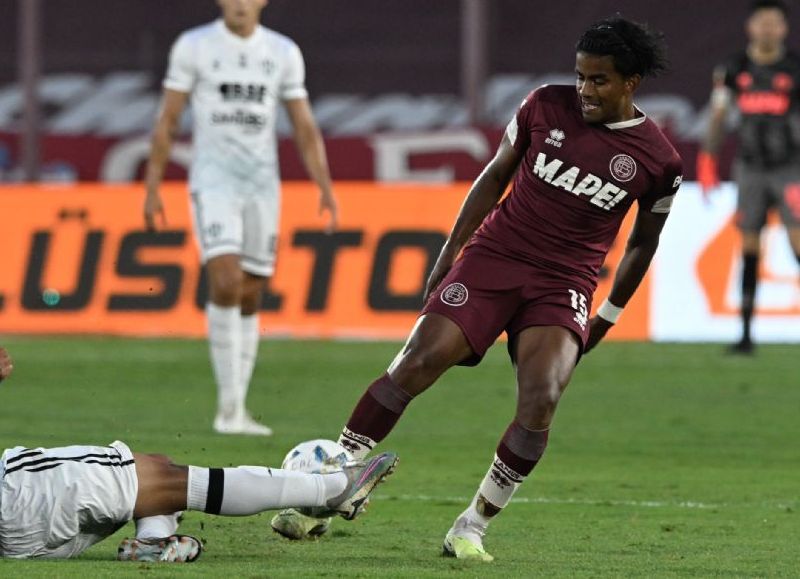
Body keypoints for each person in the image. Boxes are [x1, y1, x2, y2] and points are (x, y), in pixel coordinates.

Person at [325, 17, 681, 561]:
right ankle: (331, 485)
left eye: (599, 80)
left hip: (564, 282)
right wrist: (450, 255)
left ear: (630, 82)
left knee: (542, 400)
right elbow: (494, 176)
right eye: (581, 76)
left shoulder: (659, 161)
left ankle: (471, 526)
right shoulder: (543, 105)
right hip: (495, 258)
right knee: (417, 362)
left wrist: (605, 315)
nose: (584, 90)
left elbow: (642, 244)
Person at [0, 347, 397, 561]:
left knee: (156, 470)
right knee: (165, 480)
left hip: (19, 523)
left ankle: (154, 544)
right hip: (17, 494)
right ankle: (331, 489)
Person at [143, 0, 339, 435]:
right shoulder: (194, 46)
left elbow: (303, 125)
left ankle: (239, 409)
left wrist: (324, 185)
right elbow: (169, 117)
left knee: (251, 293)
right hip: (213, 181)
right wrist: (153, 185)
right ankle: (227, 410)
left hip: (262, 185)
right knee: (226, 280)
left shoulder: (283, 51)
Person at [697, 0, 800, 354]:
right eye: (762, 22)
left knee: (798, 243)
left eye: (774, 23)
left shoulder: (796, 69)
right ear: (751, 27)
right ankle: (744, 335)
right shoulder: (732, 68)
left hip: (791, 169)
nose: (768, 29)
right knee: (749, 246)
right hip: (751, 168)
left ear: (784, 29)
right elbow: (719, 115)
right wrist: (707, 161)